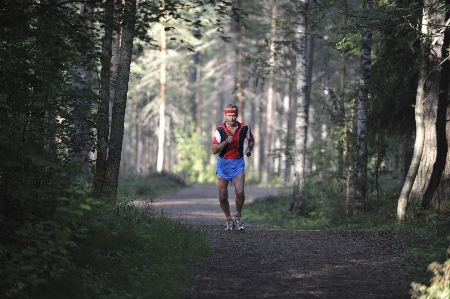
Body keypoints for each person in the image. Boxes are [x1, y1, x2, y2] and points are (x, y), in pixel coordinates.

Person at [212, 104, 255, 231]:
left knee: (240, 192)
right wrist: (225, 142)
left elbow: (251, 140)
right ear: (225, 115)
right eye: (229, 115)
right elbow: (214, 150)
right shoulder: (220, 131)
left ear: (237, 115)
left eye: (233, 115)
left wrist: (249, 148)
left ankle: (238, 216)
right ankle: (228, 219)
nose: (231, 118)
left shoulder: (244, 128)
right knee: (223, 196)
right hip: (223, 164)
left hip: (238, 163)